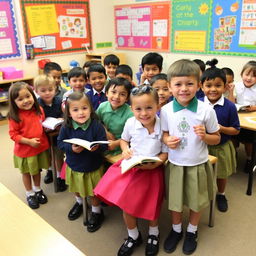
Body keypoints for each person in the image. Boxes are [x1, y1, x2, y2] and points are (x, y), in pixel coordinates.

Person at [94, 85, 167, 256]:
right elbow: (123, 141)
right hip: (132, 167)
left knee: (152, 205)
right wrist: (125, 149)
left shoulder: (163, 126)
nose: (144, 113)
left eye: (149, 107)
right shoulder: (130, 123)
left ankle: (153, 234)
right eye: (138, 109)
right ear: (131, 108)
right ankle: (133, 235)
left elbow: (165, 152)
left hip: (153, 170)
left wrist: (157, 163)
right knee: (126, 204)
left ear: (158, 106)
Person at [161, 59, 220, 255]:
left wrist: (206, 136)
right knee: (175, 200)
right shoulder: (166, 110)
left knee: (197, 200)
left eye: (189, 83)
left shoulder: (206, 110)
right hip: (176, 163)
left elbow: (217, 139)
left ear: (199, 85)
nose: (183, 89)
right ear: (170, 87)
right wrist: (167, 140)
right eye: (178, 84)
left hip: (197, 164)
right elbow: (164, 134)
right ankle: (176, 229)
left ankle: (192, 230)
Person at [57, 92, 108, 231]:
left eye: (84, 108)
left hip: (93, 166)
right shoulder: (66, 126)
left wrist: (97, 148)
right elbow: (60, 143)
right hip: (74, 165)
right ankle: (79, 203)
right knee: (77, 188)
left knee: (93, 192)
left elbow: (104, 144)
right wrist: (71, 148)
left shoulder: (96, 125)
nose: (80, 113)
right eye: (75, 110)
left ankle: (97, 212)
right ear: (68, 113)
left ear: (90, 109)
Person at [201, 59, 240, 212]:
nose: (213, 89)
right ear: (201, 87)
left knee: (221, 174)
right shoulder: (197, 104)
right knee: (202, 174)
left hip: (222, 146)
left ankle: (221, 194)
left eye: (218, 85)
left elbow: (236, 130)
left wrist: (221, 128)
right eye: (208, 85)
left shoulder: (229, 106)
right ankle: (204, 193)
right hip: (203, 147)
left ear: (225, 87)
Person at [8, 82, 50, 209]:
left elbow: (41, 124)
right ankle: (29, 193)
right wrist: (28, 141)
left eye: (28, 96)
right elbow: (13, 135)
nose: (26, 101)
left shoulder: (39, 110)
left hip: (38, 148)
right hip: (25, 151)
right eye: (20, 99)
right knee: (26, 173)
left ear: (33, 95)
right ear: (13, 102)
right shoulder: (14, 116)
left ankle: (37, 190)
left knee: (37, 170)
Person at [34, 74, 66, 192]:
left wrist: (61, 119)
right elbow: (36, 119)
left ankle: (59, 176)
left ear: (55, 89)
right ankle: (50, 170)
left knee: (58, 155)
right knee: (48, 156)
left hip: (57, 134)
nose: (47, 93)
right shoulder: (36, 104)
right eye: (43, 91)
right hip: (44, 135)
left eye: (50, 90)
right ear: (37, 91)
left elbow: (64, 114)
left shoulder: (59, 101)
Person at [228, 61, 256, 172]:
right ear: (241, 74)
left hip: (251, 118)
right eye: (247, 74)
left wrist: (254, 108)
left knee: (249, 141)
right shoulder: (237, 86)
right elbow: (231, 103)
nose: (249, 78)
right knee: (233, 137)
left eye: (254, 76)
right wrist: (230, 91)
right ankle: (233, 156)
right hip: (238, 116)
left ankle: (249, 159)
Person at [96, 77, 133, 156]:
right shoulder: (102, 106)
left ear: (127, 98)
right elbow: (95, 120)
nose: (116, 97)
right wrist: (105, 131)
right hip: (102, 145)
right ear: (106, 93)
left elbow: (132, 136)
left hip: (120, 150)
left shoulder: (130, 114)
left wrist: (116, 143)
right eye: (113, 92)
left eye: (122, 94)